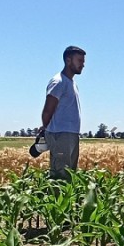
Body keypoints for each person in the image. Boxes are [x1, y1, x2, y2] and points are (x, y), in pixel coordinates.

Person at [41, 45, 86, 179]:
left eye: (83, 62)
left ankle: (65, 200)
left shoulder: (71, 83)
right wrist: (47, 130)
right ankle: (55, 199)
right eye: (80, 61)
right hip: (60, 135)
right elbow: (48, 109)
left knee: (69, 175)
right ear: (68, 60)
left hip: (71, 134)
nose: (83, 65)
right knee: (59, 176)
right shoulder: (58, 81)